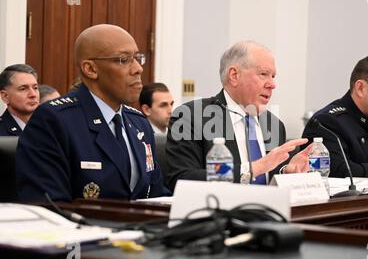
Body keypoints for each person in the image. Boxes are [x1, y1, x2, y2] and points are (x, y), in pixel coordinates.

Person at [16, 24, 171, 202]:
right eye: (123, 59)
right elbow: (50, 204)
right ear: (90, 69)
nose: (138, 69)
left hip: (145, 227)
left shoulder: (138, 123)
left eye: (137, 58)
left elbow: (157, 194)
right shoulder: (54, 120)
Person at [166, 41, 311, 191]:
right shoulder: (191, 116)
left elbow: (270, 182)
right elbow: (181, 179)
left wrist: (287, 173)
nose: (272, 84)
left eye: (273, 76)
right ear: (234, 76)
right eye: (263, 74)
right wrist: (253, 169)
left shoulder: (273, 124)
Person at [0, 64, 40, 136]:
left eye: (35, 88)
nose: (33, 94)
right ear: (5, 96)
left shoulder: (50, 127)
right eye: (23, 89)